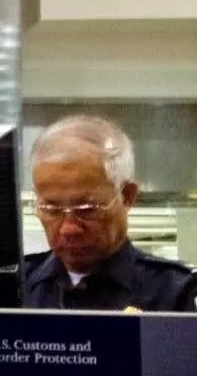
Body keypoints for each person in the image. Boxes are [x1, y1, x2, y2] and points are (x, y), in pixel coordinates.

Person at [23, 115, 197, 312]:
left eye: (87, 210)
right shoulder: (13, 288)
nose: (68, 229)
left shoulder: (178, 294)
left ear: (127, 196)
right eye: (51, 209)